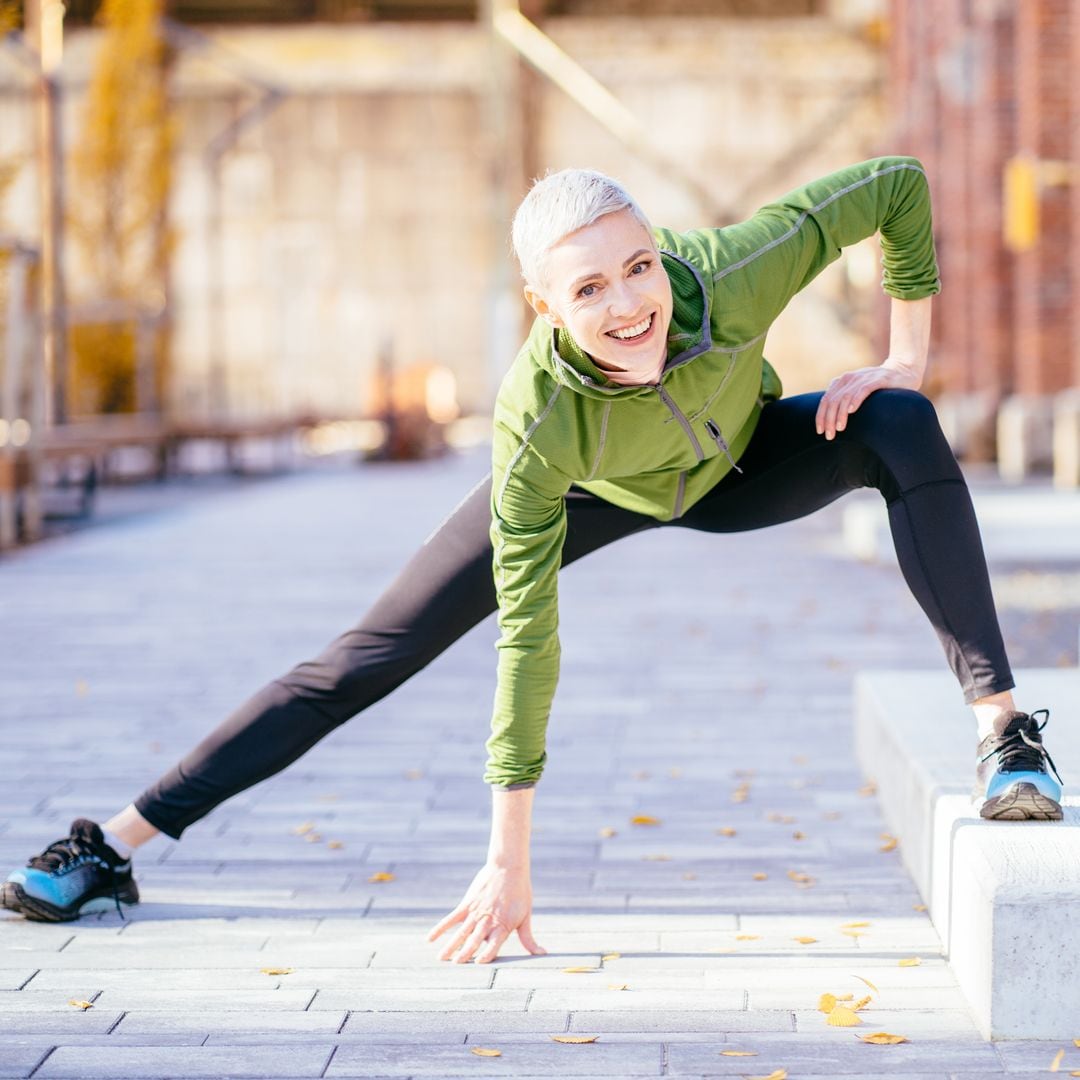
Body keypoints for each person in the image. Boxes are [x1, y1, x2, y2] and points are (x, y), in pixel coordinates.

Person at [2, 156, 1063, 964]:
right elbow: (527, 642)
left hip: (744, 466)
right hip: (591, 488)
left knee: (903, 424)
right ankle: (113, 845)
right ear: (544, 307)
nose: (631, 304)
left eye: (640, 267)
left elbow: (896, 186)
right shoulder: (535, 422)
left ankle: (1004, 736)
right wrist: (510, 855)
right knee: (368, 653)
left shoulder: (732, 272)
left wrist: (904, 357)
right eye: (590, 289)